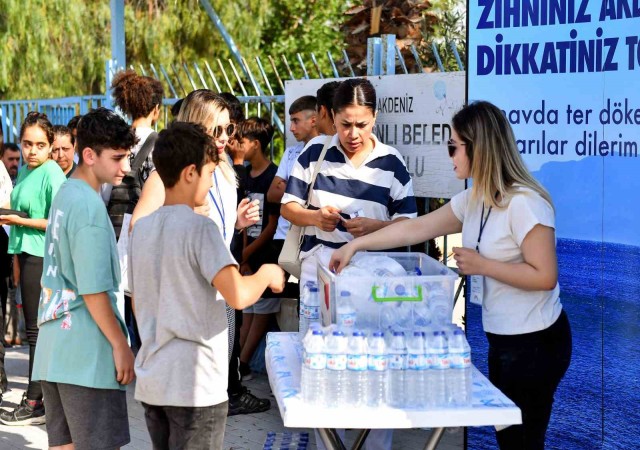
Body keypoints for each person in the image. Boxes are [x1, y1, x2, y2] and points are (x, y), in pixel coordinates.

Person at [330, 100, 573, 450]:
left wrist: (483, 266)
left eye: (453, 147)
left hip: (536, 343)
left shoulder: (525, 202)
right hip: (502, 339)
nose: (450, 156)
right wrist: (356, 246)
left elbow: (545, 276)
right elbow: (413, 230)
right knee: (509, 439)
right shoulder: (475, 197)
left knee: (524, 441)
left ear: (478, 148)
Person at [129, 121, 284, 450]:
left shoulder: (140, 230)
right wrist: (268, 273)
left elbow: (136, 300)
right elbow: (238, 295)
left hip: (154, 380)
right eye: (210, 174)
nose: (212, 182)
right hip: (196, 385)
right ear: (189, 173)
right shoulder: (201, 229)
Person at [281, 78, 417, 450]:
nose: (353, 133)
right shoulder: (314, 153)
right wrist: (314, 218)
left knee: (374, 370)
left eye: (362, 124)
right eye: (345, 124)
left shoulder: (392, 162)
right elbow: (288, 207)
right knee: (323, 367)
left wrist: (376, 228)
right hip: (320, 276)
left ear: (375, 117)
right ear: (332, 118)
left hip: (374, 283)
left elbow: (409, 223)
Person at [31, 108, 136, 449]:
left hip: (54, 350)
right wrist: (121, 344)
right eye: (118, 158)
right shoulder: (88, 206)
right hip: (86, 353)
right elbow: (93, 291)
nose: (126, 167)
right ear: (89, 155)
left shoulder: (66, 192)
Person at [0, 112, 67, 425]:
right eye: (27, 144)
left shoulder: (52, 172)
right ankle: (38, 398)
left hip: (42, 257)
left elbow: (59, 220)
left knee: (36, 331)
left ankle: (34, 401)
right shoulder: (27, 169)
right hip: (25, 255)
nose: (31, 150)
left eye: (40, 144)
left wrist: (21, 221)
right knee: (34, 330)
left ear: (51, 145)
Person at [236, 117, 279, 380]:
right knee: (248, 309)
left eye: (241, 142)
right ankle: (238, 362)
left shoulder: (273, 177)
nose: (237, 146)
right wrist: (243, 254)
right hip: (247, 253)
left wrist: (249, 253)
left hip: (264, 253)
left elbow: (272, 226)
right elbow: (243, 220)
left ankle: (243, 362)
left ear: (255, 144)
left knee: (261, 309)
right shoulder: (245, 177)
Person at [266, 95, 319, 300]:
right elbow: (272, 193)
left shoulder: (326, 152)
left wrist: (289, 187)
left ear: (313, 119)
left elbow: (315, 196)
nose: (291, 128)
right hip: (282, 237)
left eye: (296, 121)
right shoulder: (290, 153)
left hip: (307, 237)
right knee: (274, 296)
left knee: (306, 299)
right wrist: (298, 190)